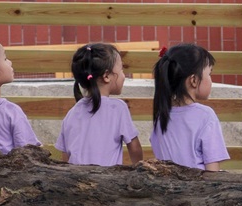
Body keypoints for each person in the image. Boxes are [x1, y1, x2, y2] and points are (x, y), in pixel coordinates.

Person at [59, 42, 143, 167]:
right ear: (106, 76)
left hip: (77, 181)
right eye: (121, 70)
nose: (123, 75)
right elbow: (134, 148)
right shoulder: (118, 108)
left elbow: (65, 155)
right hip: (107, 182)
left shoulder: (72, 112)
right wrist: (139, 169)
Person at [151, 42, 228, 171]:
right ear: (194, 80)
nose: (211, 80)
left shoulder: (161, 117)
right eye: (209, 74)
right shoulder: (206, 116)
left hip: (167, 189)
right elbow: (212, 171)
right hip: (198, 189)